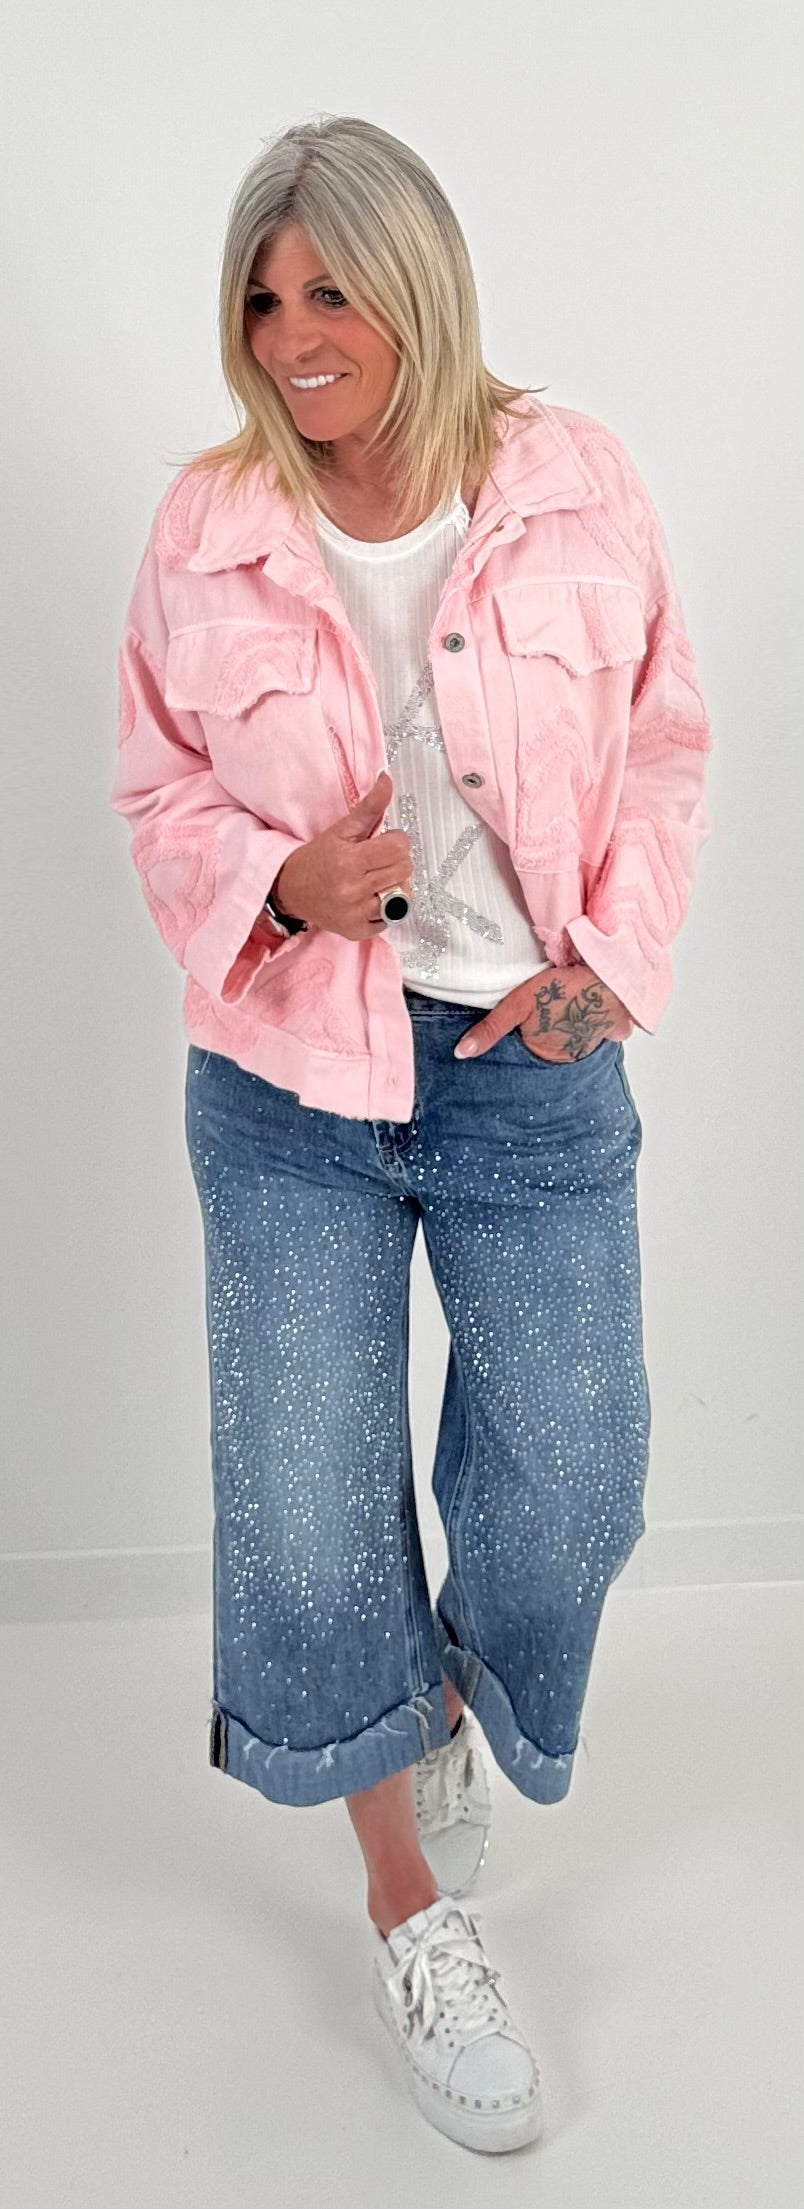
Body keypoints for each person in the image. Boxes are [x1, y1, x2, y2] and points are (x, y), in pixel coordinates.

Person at [110, 114, 712, 2157]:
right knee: (305, 1506)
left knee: (582, 1475)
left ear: (419, 286)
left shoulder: (574, 481)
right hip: (290, 1077)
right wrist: (284, 887)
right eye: (264, 297)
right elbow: (158, 790)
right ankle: (407, 1906)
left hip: (529, 1058)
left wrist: (609, 960)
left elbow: (663, 739)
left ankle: (428, 1697)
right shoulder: (209, 523)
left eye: (332, 290)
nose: (293, 333)